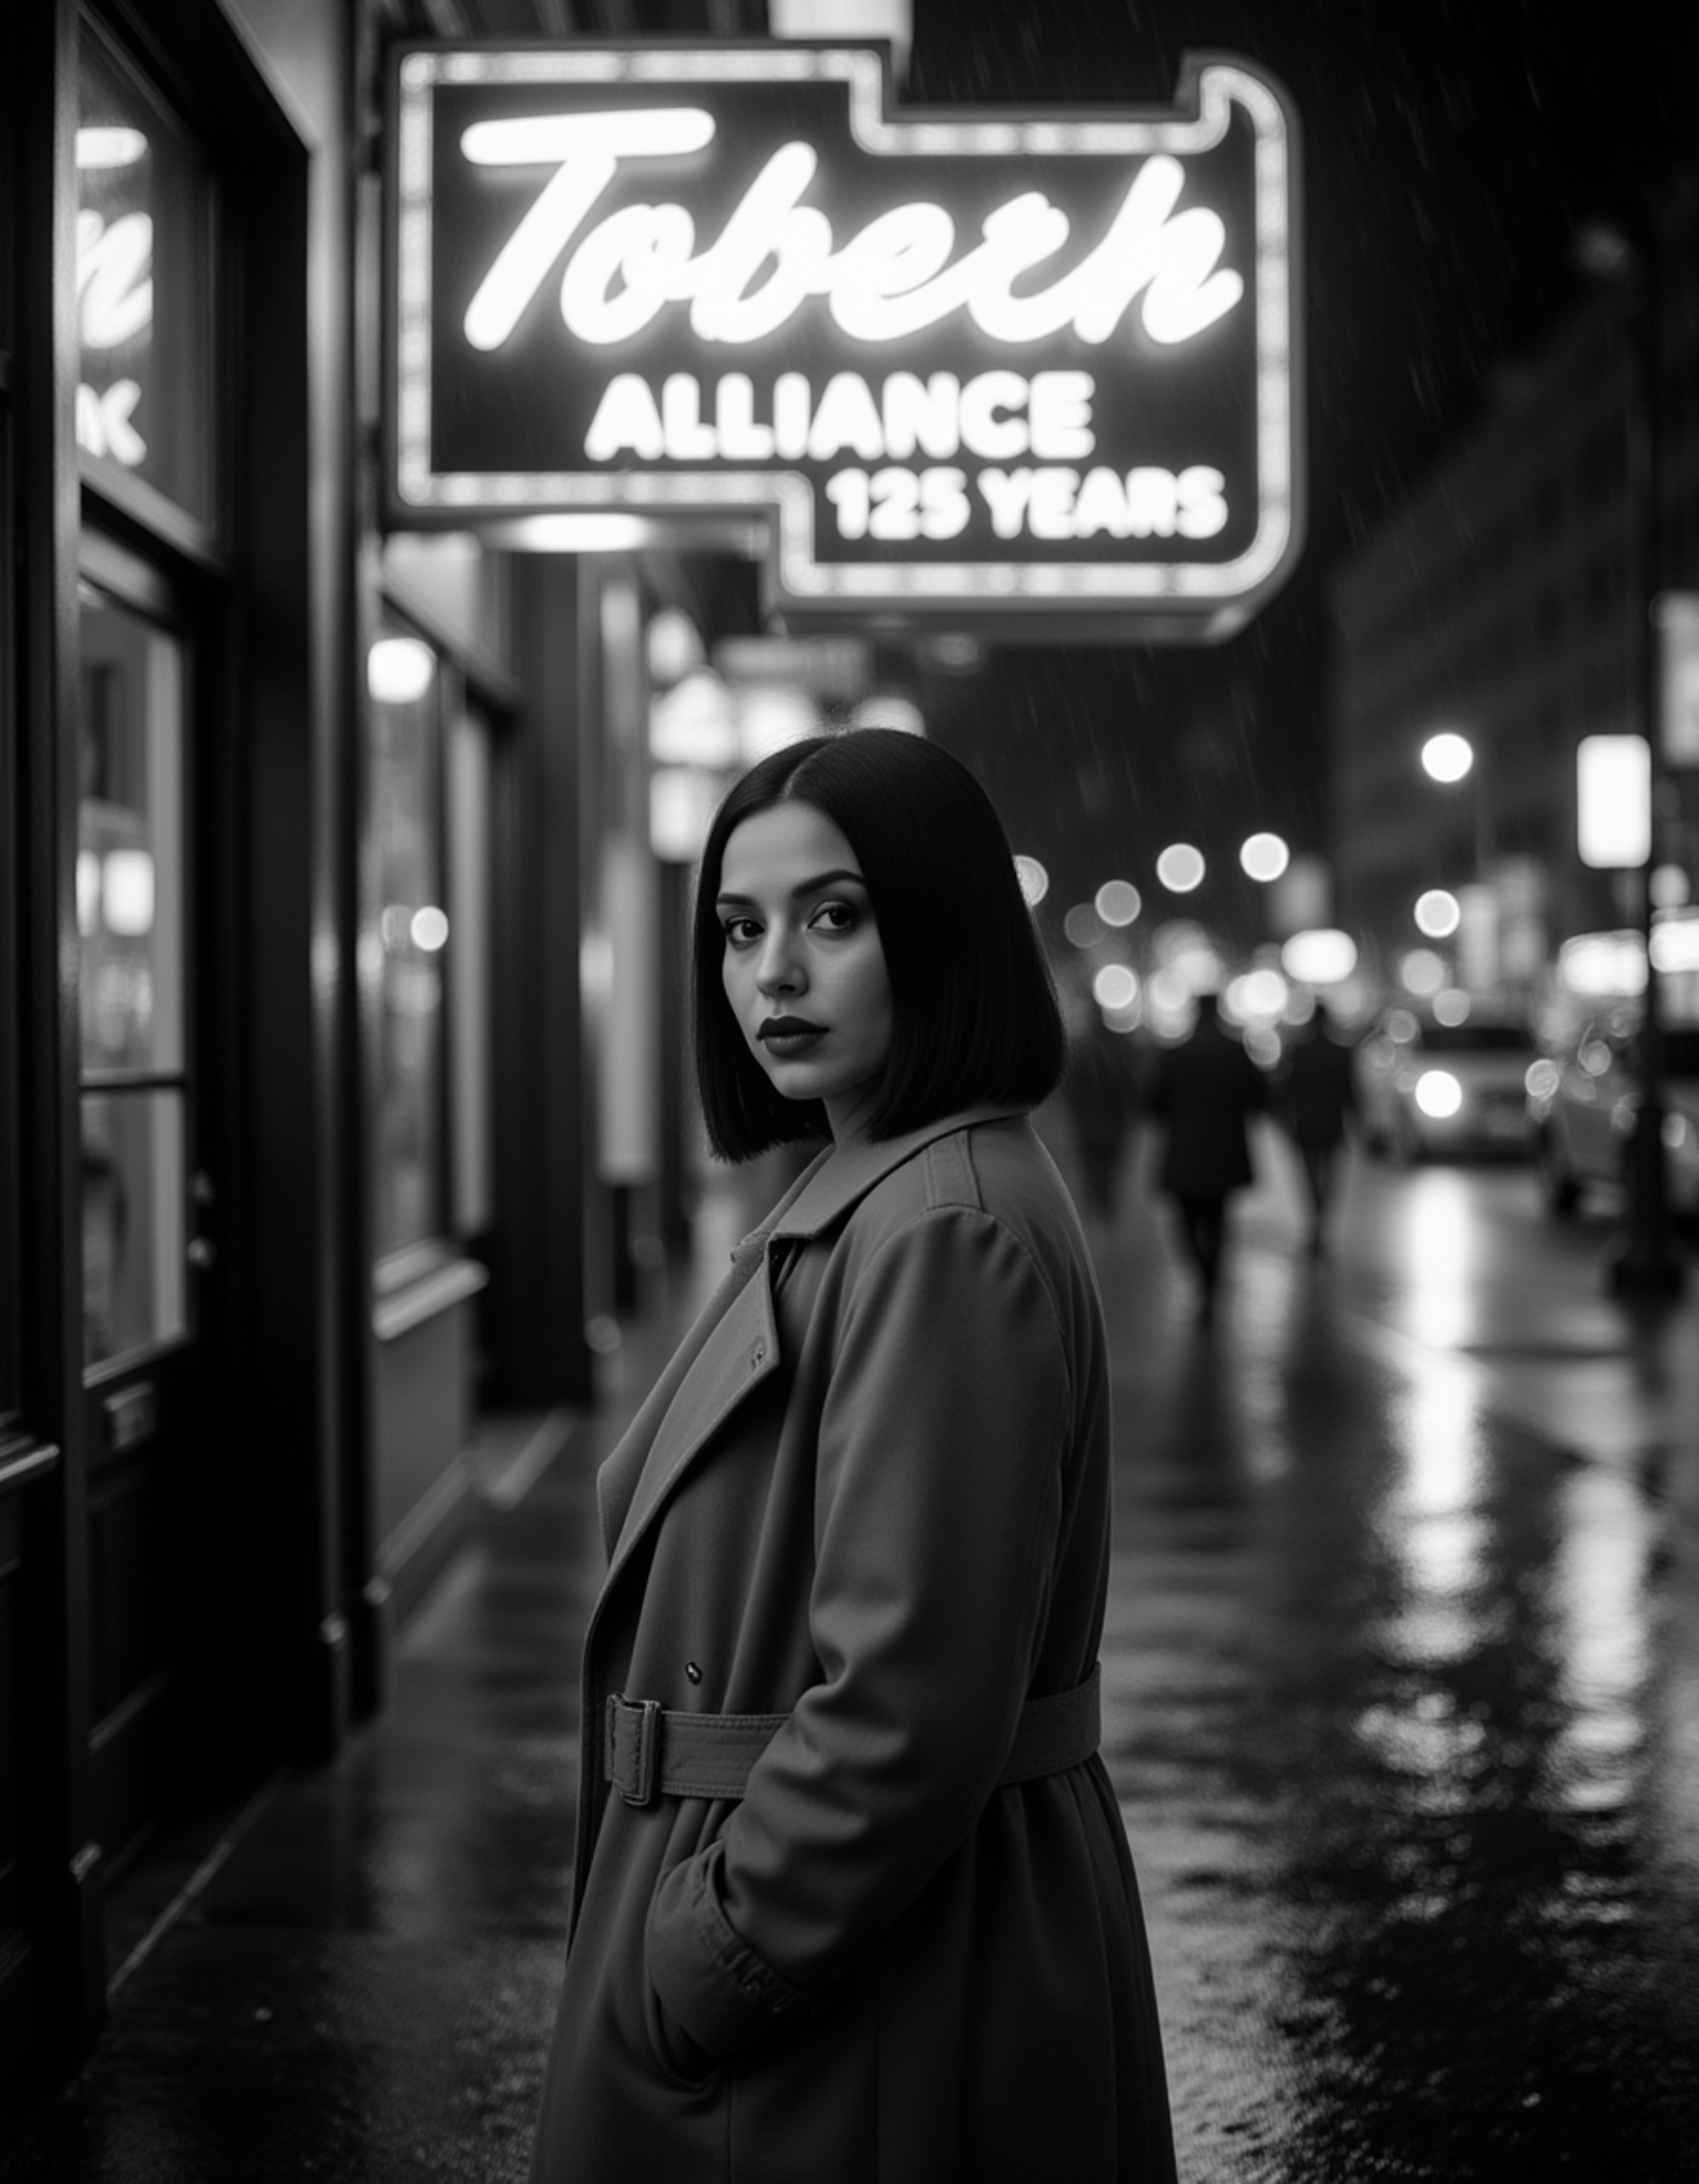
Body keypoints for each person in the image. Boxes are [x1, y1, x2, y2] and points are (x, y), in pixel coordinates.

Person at [531, 730, 1177, 2184]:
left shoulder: (941, 1223)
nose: (773, 974)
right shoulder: (874, 1191)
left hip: (874, 1972)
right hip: (859, 1945)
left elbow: (910, 1704)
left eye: (834, 917)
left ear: (939, 930)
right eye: (741, 929)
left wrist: (708, 1960)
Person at [1145, 988, 1267, 1314]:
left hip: (1184, 1152)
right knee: (1218, 1216)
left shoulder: (1175, 1053)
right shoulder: (1235, 1051)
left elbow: (1153, 1102)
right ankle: (1211, 1277)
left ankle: (1202, 1273)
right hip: (1225, 1151)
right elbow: (1259, 1098)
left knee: (1185, 1217)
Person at [1273, 1001, 1359, 1254]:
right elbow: (1351, 1092)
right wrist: (1358, 1122)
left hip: (1306, 1124)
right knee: (1331, 1177)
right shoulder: (1341, 1052)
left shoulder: (1297, 1051)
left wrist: (1285, 1120)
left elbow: (1283, 1090)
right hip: (1332, 1124)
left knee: (1309, 1176)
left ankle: (1315, 1220)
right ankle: (1321, 1222)